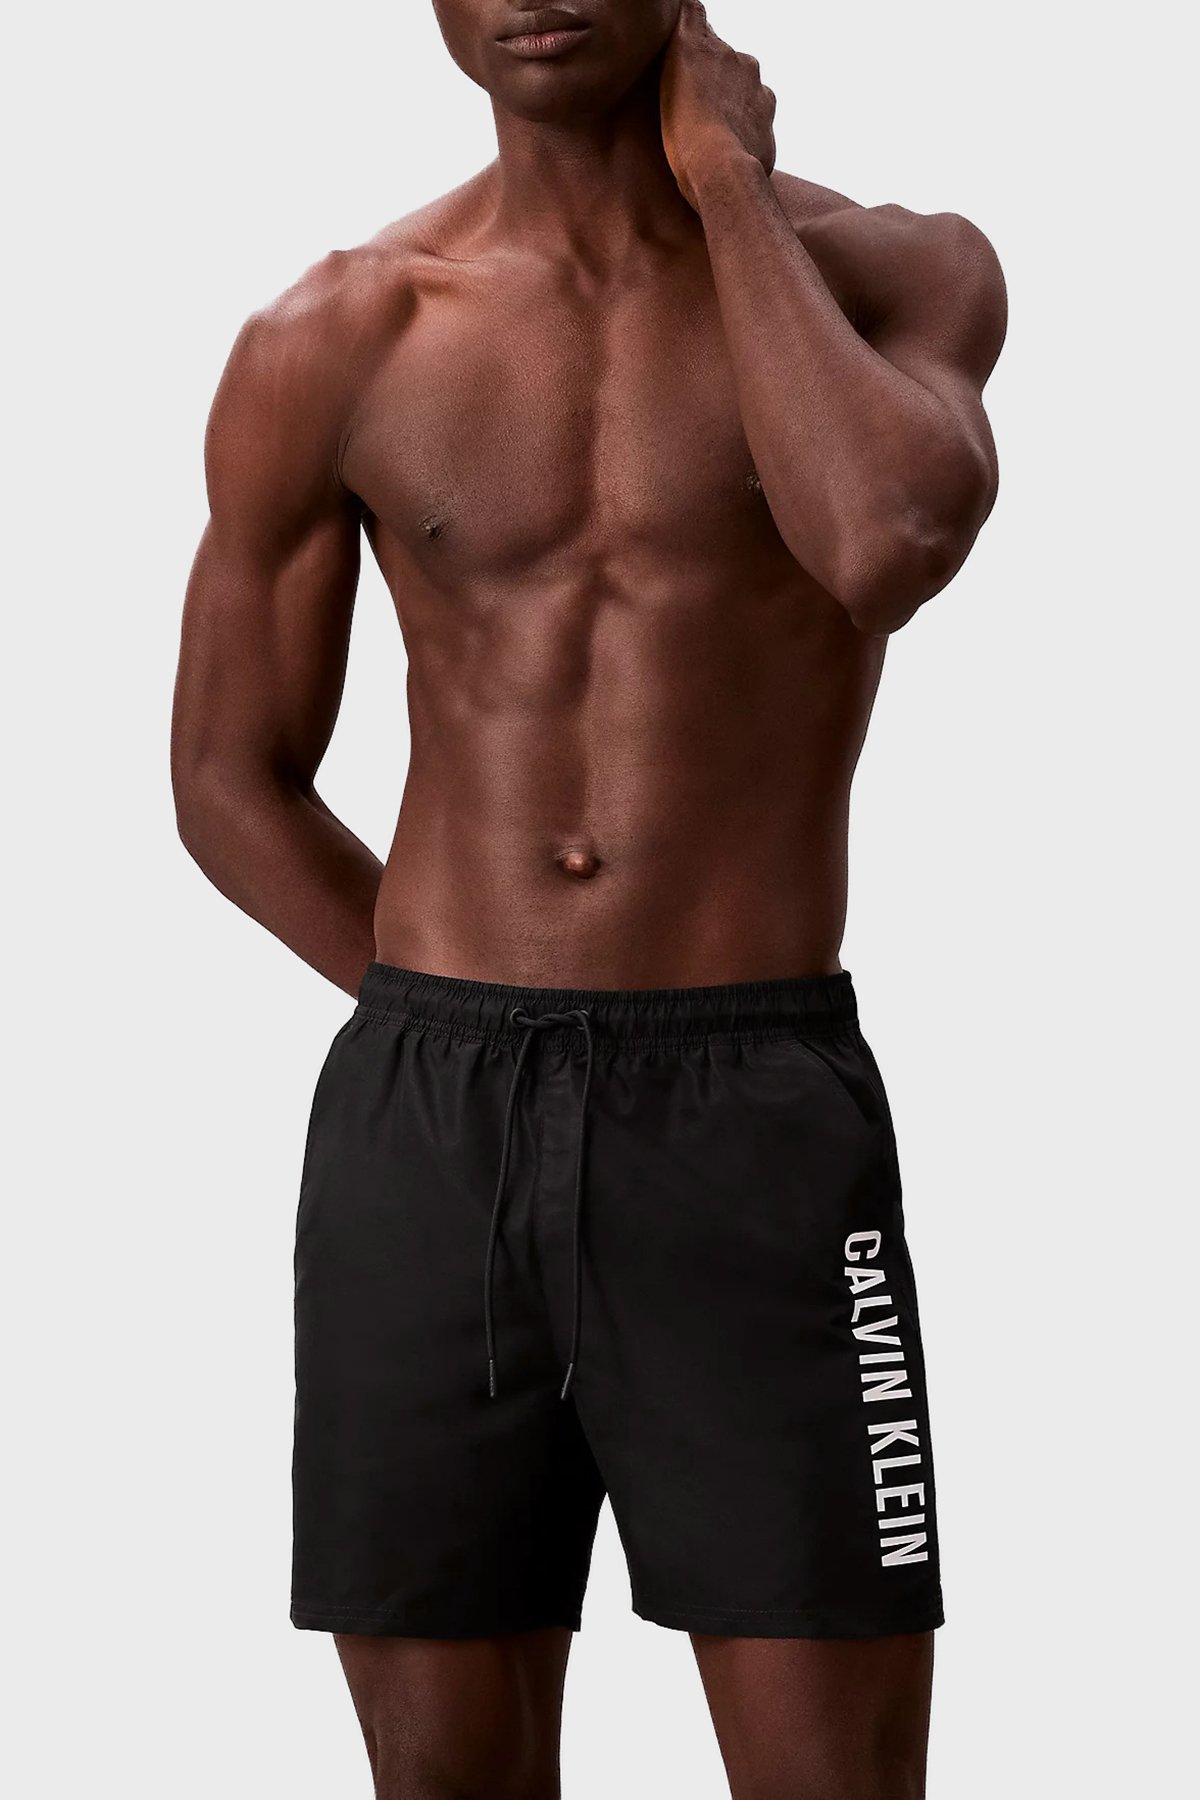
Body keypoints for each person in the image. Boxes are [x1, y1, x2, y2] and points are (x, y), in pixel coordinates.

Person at [172, 2, 1006, 1793]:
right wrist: (453, 1002)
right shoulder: (339, 331)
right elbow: (229, 779)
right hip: (431, 1127)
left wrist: (731, 190)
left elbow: (881, 544)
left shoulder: (897, 278)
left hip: (750, 1119)